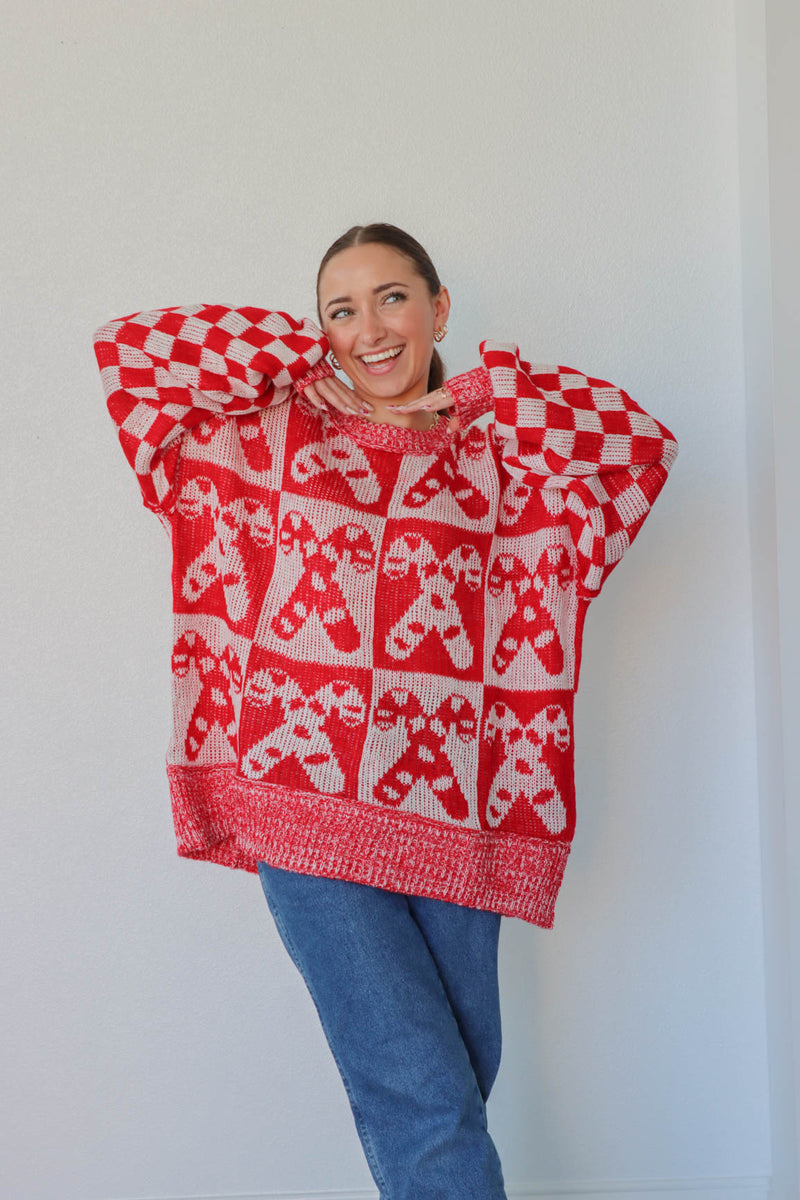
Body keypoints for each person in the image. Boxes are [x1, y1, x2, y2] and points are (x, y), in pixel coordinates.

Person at [92, 222, 678, 1199]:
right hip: (303, 810)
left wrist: (487, 396)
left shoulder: (509, 464)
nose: (369, 325)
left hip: (459, 820)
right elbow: (137, 362)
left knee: (450, 1087)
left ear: (438, 307)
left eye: (392, 297)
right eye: (340, 307)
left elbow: (636, 455)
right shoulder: (272, 431)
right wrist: (298, 355)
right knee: (423, 1102)